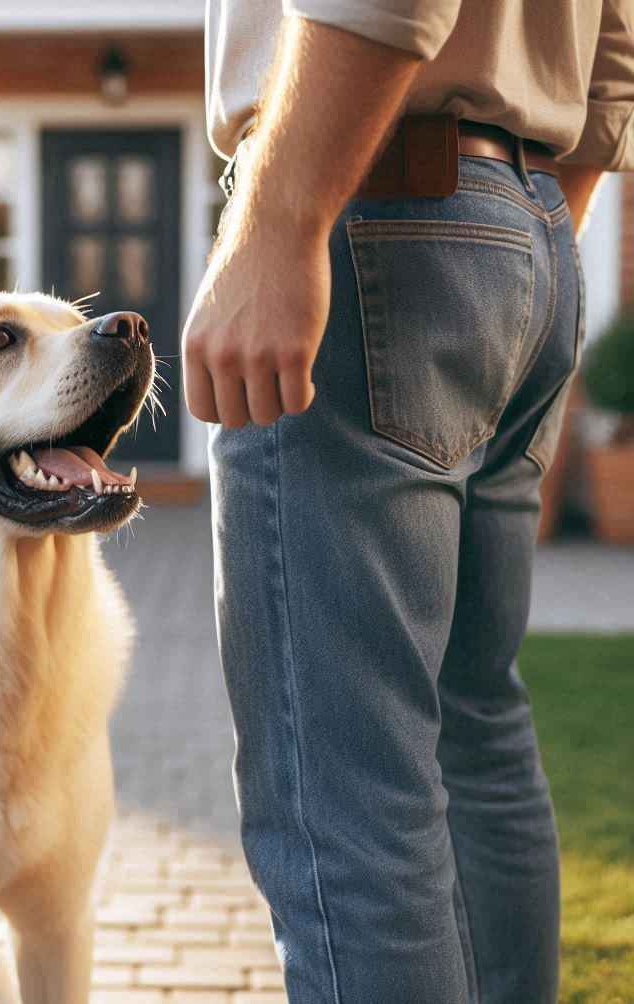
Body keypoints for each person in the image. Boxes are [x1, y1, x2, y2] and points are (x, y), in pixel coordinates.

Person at [182, 3, 632, 1002]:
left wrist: (278, 218)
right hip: (523, 220)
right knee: (473, 728)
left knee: (344, 792)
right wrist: (532, 222)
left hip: (375, 207)